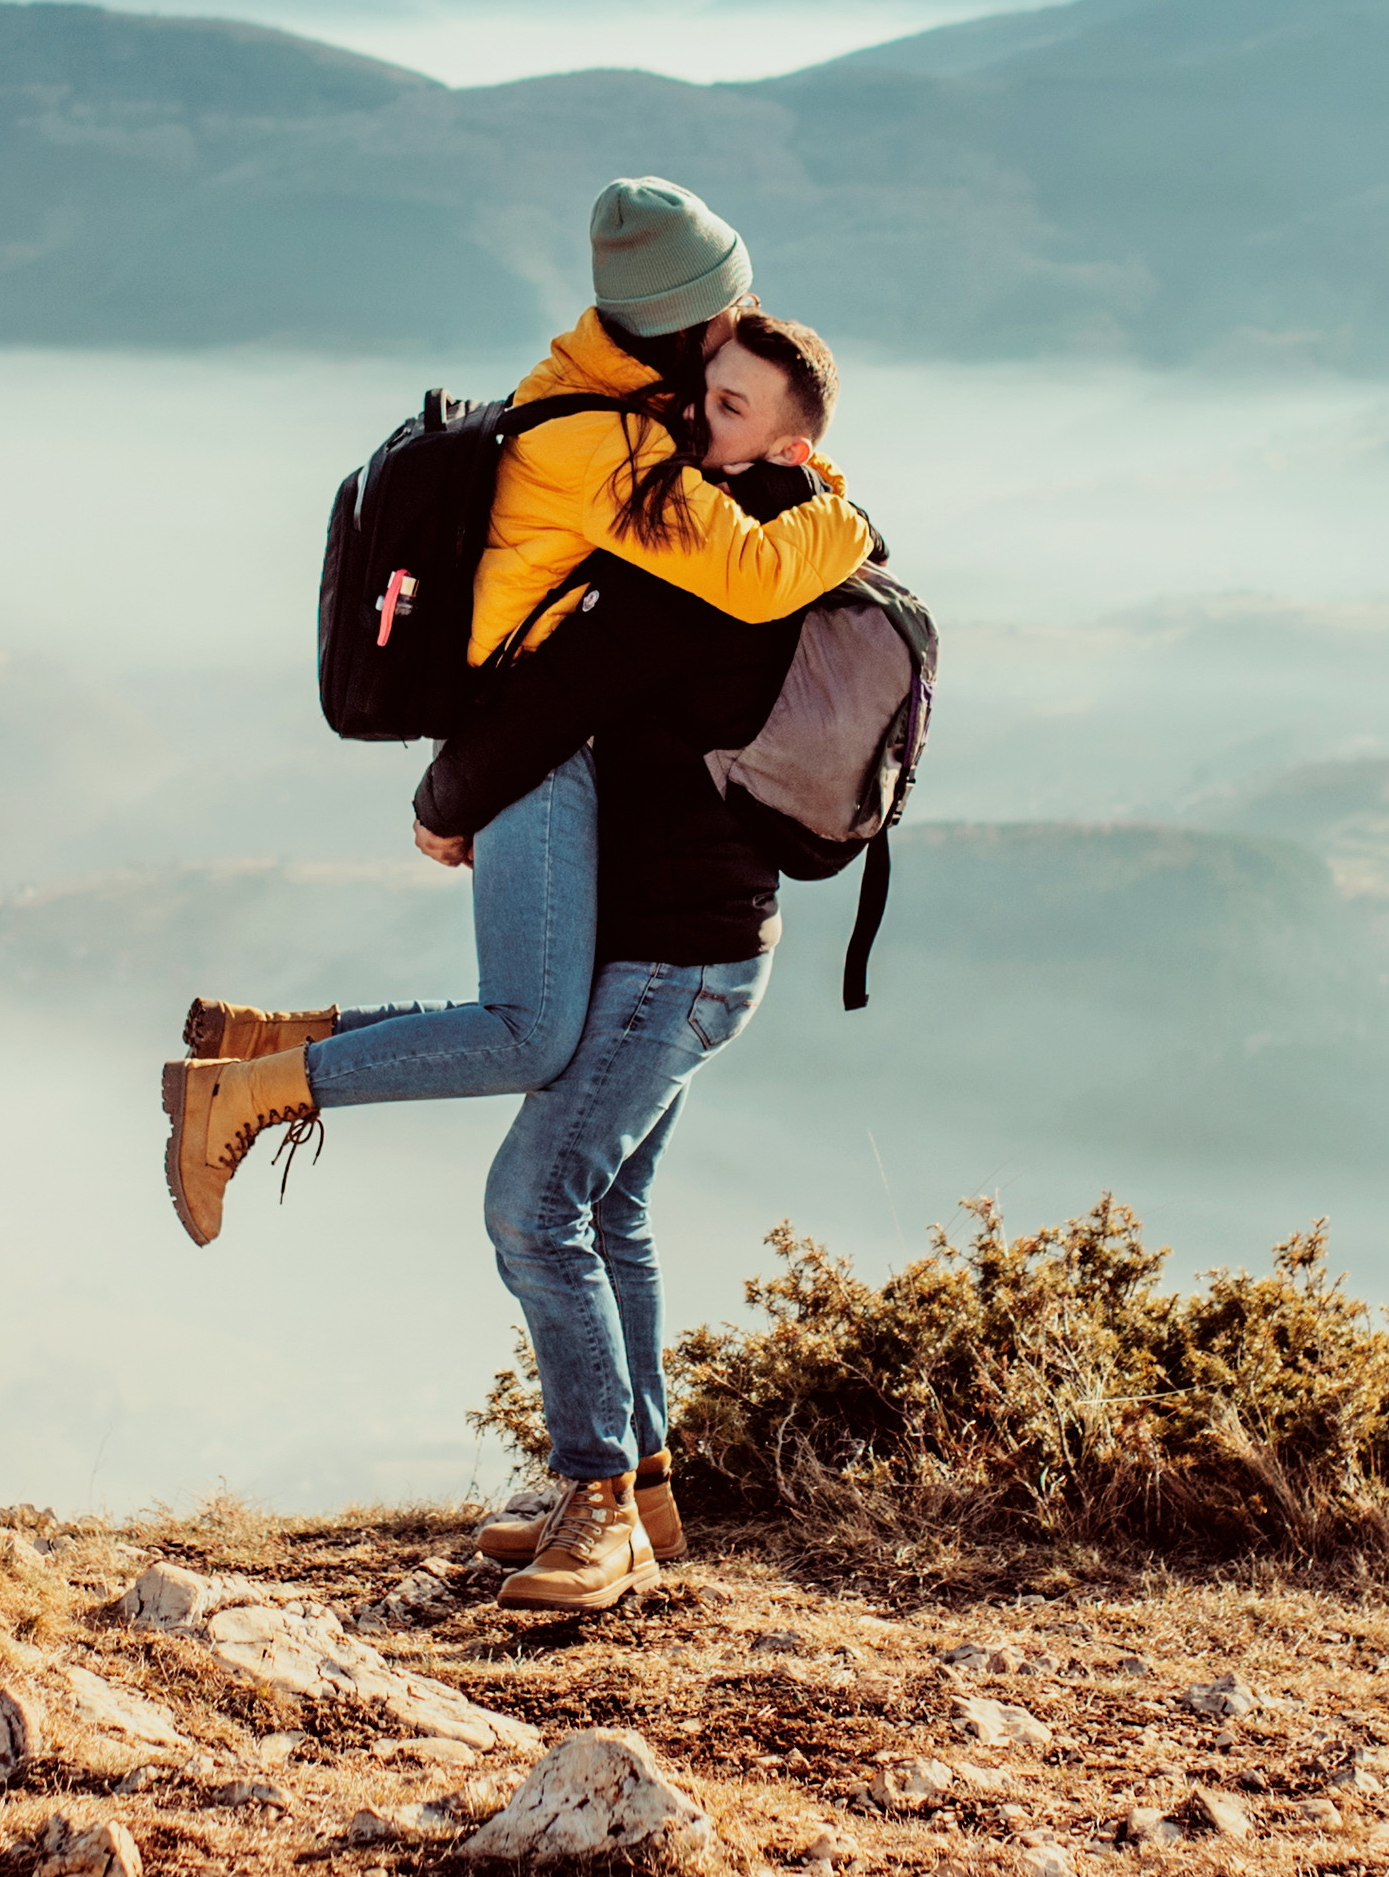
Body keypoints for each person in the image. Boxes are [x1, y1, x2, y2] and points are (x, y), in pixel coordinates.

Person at [158, 178, 866, 1253]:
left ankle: (270, 1044)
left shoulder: (615, 400)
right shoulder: (609, 450)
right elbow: (758, 576)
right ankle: (250, 1091)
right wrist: (848, 518)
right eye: (729, 305)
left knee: (540, 1037)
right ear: (682, 319)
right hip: (536, 753)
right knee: (531, 1035)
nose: (742, 318)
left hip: (540, 747)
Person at [411, 311, 850, 1614]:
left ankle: (595, 1503)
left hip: (681, 953)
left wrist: (448, 800)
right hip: (700, 941)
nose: (695, 421)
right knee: (611, 1214)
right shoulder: (771, 533)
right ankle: (645, 1493)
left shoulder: (709, 558)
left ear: (792, 438)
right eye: (700, 394)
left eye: (727, 408)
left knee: (531, 1205)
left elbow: (568, 688)